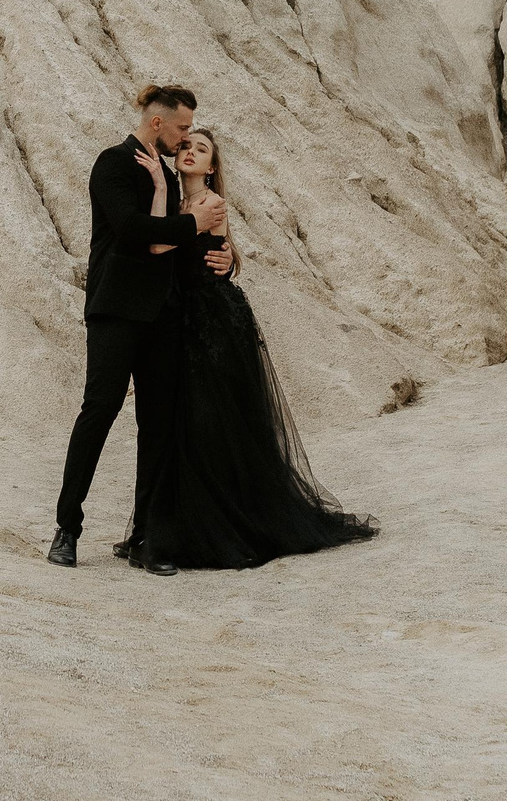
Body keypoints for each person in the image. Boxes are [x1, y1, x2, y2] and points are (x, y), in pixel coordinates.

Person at [126, 125, 377, 569]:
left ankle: (224, 528)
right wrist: (162, 191)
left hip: (215, 322)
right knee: (179, 426)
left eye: (200, 149)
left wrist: (166, 192)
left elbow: (164, 241)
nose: (189, 152)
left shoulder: (211, 203)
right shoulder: (174, 203)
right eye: (185, 146)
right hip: (180, 321)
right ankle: (172, 527)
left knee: (212, 423)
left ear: (212, 165)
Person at [47, 85, 225, 573]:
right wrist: (190, 226)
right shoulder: (113, 164)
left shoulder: (168, 174)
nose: (187, 137)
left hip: (164, 318)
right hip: (117, 311)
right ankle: (66, 530)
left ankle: (146, 538)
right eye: (183, 127)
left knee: (159, 425)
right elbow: (131, 229)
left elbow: (178, 251)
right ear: (157, 124)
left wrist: (223, 259)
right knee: (99, 412)